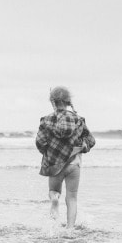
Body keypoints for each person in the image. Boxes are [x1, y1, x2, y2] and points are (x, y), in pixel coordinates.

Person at [36, 86, 95, 229]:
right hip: (74, 164)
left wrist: (48, 151)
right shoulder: (78, 119)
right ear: (68, 101)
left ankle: (55, 200)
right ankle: (70, 229)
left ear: (52, 101)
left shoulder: (46, 120)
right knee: (72, 197)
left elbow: (40, 142)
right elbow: (91, 141)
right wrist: (82, 147)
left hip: (55, 164)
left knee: (54, 191)